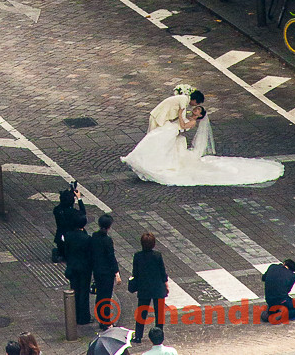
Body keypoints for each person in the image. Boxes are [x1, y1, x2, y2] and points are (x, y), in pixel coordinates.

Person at [122, 105, 283, 186]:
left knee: (159, 148)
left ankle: (148, 162)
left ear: (199, 117)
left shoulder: (191, 122)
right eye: (196, 109)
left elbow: (183, 126)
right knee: (157, 146)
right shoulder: (189, 116)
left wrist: (180, 111)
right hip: (170, 132)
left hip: (172, 132)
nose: (195, 111)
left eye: (197, 111)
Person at [131, 232, 169, 344]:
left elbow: (135, 273)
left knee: (142, 312)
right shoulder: (157, 255)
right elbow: (162, 272)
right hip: (158, 287)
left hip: (144, 288)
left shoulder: (137, 256)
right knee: (159, 314)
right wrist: (166, 284)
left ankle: (138, 336)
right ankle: (159, 334)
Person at [91, 214, 121, 329]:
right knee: (106, 298)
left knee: (100, 296)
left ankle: (101, 319)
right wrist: (116, 272)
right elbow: (111, 257)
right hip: (107, 273)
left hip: (97, 271)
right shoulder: (107, 241)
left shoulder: (94, 236)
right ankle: (106, 321)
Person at [65, 212, 93, 324]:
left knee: (74, 291)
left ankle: (74, 315)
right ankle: (84, 317)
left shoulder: (68, 236)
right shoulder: (87, 239)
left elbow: (66, 252)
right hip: (84, 269)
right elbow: (90, 255)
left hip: (72, 267)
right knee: (84, 293)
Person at [53, 185, 85, 261]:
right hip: (73, 237)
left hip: (61, 235)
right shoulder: (74, 213)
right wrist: (79, 198)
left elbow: (62, 205)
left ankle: (62, 254)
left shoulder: (57, 210)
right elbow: (83, 213)